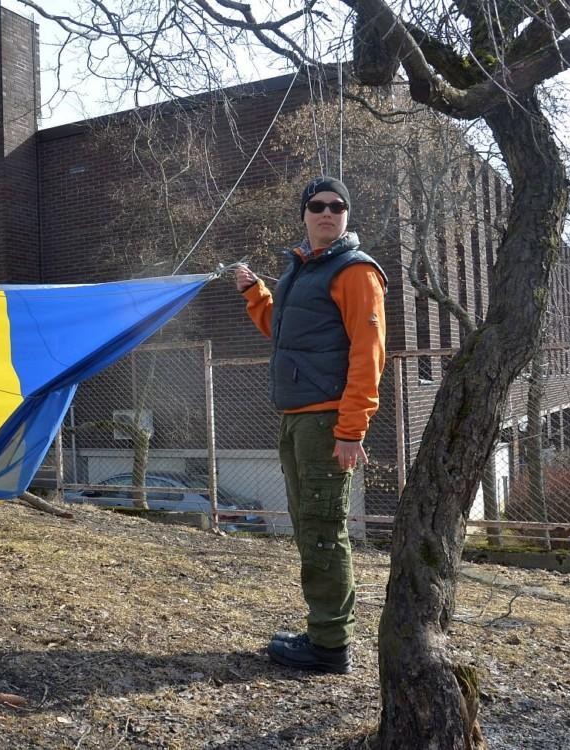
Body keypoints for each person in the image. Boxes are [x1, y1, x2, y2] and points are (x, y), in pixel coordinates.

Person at [235, 176, 386, 674]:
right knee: (309, 528)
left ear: (347, 215)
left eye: (337, 206)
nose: (327, 212)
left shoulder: (355, 272)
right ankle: (323, 630)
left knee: (323, 531)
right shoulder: (303, 269)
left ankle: (329, 646)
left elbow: (369, 356)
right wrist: (256, 294)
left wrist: (351, 430)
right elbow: (284, 332)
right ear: (303, 213)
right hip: (298, 421)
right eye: (318, 205)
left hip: (327, 423)